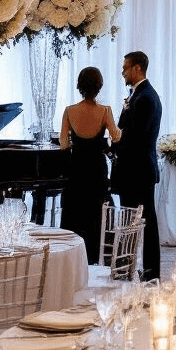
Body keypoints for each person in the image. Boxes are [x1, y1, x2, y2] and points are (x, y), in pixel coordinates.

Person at [58, 67, 122, 255]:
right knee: (96, 207)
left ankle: (73, 253)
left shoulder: (69, 111)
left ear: (79, 86)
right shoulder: (105, 110)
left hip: (76, 165)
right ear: (99, 87)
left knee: (75, 207)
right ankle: (96, 252)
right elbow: (116, 136)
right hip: (96, 166)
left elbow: (63, 144)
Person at [111, 51, 162, 282]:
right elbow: (124, 130)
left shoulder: (146, 98)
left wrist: (113, 142)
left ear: (137, 68)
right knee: (131, 220)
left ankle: (150, 272)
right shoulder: (137, 95)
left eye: (125, 67)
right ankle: (127, 268)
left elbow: (135, 136)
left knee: (145, 222)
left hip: (139, 171)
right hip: (134, 170)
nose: (122, 72)